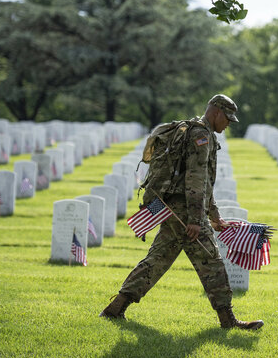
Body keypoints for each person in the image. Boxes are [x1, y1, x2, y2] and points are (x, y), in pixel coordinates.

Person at [99, 94, 263, 330]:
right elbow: (195, 181)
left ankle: (115, 308)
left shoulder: (196, 131)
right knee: (211, 260)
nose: (228, 124)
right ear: (216, 112)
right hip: (185, 211)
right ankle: (228, 321)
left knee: (157, 259)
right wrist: (197, 220)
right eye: (227, 119)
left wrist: (214, 215)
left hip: (173, 208)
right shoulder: (200, 135)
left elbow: (205, 181)